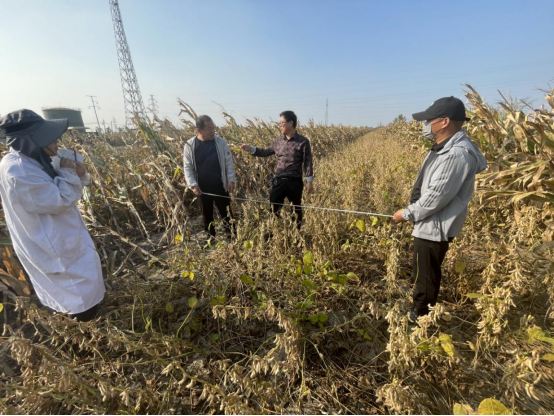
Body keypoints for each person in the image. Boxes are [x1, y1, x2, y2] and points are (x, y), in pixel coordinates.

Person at [0, 109, 105, 321]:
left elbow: (72, 185)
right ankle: (85, 333)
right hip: (51, 245)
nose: (56, 142)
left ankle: (90, 322)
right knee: (76, 301)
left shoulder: (35, 159)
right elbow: (60, 200)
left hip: (61, 237)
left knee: (83, 287)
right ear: (33, 139)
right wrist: (68, 172)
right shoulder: (19, 170)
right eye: (51, 138)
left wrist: (79, 173)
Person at [392, 97, 487, 322]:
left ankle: (421, 313)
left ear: (444, 122)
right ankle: (420, 294)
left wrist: (406, 214)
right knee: (423, 266)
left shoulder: (456, 155)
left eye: (429, 120)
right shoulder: (445, 146)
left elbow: (436, 197)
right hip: (429, 222)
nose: (426, 125)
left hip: (435, 225)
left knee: (427, 270)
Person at [240, 111, 314, 229]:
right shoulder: (278, 141)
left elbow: (308, 162)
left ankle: (296, 233)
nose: (280, 126)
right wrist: (250, 148)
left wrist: (309, 181)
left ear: (290, 123)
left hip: (294, 181)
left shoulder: (303, 142)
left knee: (295, 208)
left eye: (281, 123)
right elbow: (265, 152)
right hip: (278, 180)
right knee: (274, 207)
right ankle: (276, 231)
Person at [183, 115, 236, 241]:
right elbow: (187, 167)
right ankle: (211, 238)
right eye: (209, 128)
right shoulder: (190, 146)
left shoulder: (220, 142)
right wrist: (193, 185)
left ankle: (232, 236)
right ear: (199, 130)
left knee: (226, 212)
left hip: (220, 184)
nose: (213, 131)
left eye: (213, 128)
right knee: (206, 214)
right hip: (202, 188)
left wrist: (231, 180)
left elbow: (229, 162)